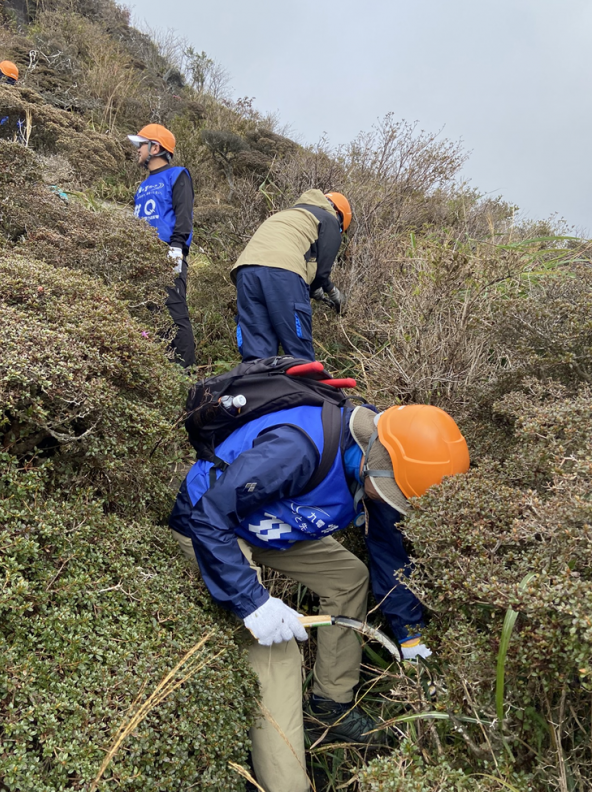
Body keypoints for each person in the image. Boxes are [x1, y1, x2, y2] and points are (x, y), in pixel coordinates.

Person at [169, 399, 470, 792]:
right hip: (211, 528)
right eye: (395, 494)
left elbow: (387, 551)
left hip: (268, 521)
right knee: (277, 653)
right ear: (377, 462)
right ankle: (286, 782)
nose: (394, 503)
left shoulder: (380, 459)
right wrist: (253, 602)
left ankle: (330, 705)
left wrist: (411, 634)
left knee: (349, 578)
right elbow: (211, 516)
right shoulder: (295, 450)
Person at [231, 189, 351, 362]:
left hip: (246, 272)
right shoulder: (329, 219)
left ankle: (256, 385)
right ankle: (302, 387)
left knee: (257, 353)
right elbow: (322, 271)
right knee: (298, 350)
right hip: (283, 274)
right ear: (340, 216)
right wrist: (330, 293)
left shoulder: (288, 214)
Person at [128, 124, 196, 367]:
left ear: (155, 148)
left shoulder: (177, 174)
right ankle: (159, 368)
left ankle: (185, 374)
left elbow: (184, 213)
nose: (137, 150)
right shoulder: (142, 185)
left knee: (175, 313)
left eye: (141, 144)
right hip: (140, 256)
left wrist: (176, 248)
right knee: (149, 313)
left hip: (167, 253)